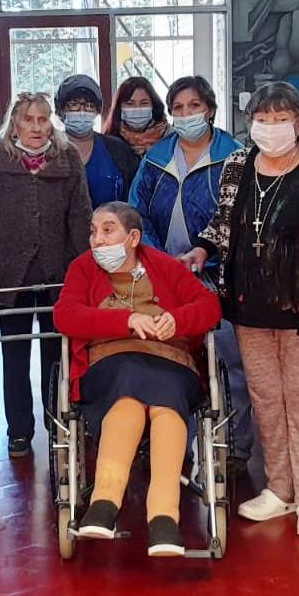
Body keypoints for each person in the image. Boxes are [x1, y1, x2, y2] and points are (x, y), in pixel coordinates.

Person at [183, 83, 299, 539]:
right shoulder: (236, 167)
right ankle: (280, 490)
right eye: (261, 120)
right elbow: (225, 221)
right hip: (250, 309)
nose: (269, 129)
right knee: (267, 402)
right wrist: (203, 249)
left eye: (279, 119)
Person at [53, 203, 222, 557]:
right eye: (93, 231)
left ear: (132, 238)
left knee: (164, 406)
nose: (97, 240)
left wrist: (177, 320)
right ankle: (105, 502)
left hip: (169, 357)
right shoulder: (82, 268)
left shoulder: (163, 266)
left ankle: (163, 517)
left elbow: (209, 306)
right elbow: (65, 315)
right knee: (128, 400)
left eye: (108, 230)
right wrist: (126, 321)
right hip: (110, 359)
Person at [127, 76, 253, 476]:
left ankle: (233, 446)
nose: (186, 115)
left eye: (193, 107)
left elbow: (237, 218)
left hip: (219, 275)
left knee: (228, 359)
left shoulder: (234, 155)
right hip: (162, 273)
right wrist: (160, 259)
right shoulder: (157, 156)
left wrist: (205, 252)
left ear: (210, 110)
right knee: (165, 356)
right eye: (177, 108)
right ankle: (169, 443)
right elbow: (136, 213)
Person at [0, 92, 92, 458]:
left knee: (57, 353)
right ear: (14, 122)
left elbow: (81, 216)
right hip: (11, 273)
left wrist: (89, 271)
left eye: (43, 119)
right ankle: (18, 430)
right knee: (13, 354)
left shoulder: (67, 156)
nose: (37, 127)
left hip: (58, 273)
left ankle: (58, 425)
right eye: (29, 119)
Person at [57, 74, 139, 207]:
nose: (82, 111)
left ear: (97, 110)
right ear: (61, 110)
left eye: (89, 105)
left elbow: (135, 199)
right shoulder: (48, 150)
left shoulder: (117, 150)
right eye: (74, 105)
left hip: (111, 226)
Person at [104, 76, 168, 157]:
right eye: (130, 104)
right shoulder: (107, 142)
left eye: (144, 103)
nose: (137, 109)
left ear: (153, 106)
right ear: (119, 108)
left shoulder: (171, 137)